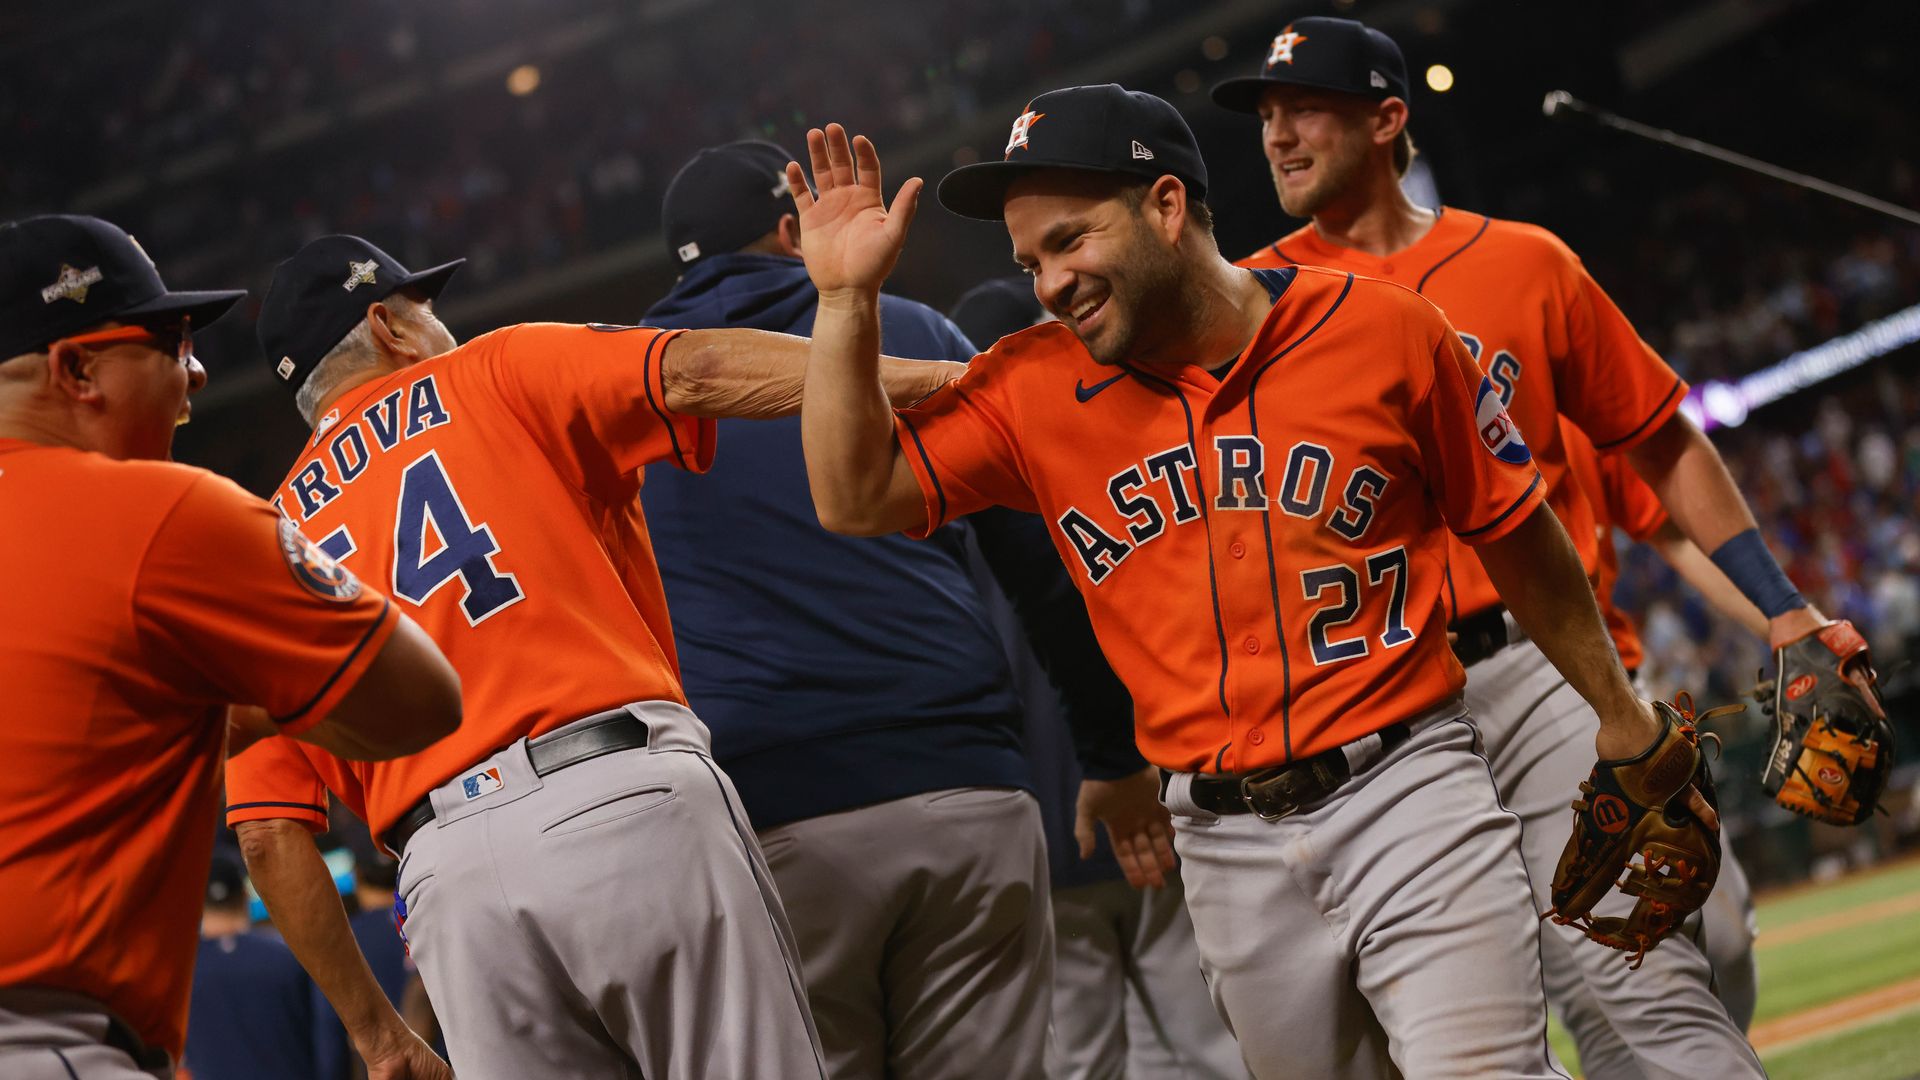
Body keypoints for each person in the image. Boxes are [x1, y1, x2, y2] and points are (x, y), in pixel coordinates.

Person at [783, 87, 1715, 1077]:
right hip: (1222, 842)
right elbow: (852, 496)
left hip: (1408, 786)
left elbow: (1514, 532)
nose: (1050, 283)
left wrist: (1616, 708)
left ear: (1168, 207)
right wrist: (845, 301)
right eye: (1030, 264)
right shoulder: (1030, 386)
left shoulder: (1387, 329)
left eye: (1069, 242)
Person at [1213, 16, 1826, 1074]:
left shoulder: (1524, 265)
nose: (1277, 135)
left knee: (1651, 978)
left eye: (1304, 106)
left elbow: (1659, 445)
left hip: (1545, 672)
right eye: (1266, 115)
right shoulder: (1246, 301)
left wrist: (1785, 606)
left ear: (1387, 119)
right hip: (1372, 712)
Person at [227, 234, 966, 1080]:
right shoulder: (492, 371)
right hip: (614, 795)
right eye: (425, 307)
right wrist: (944, 381)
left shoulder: (270, 544)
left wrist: (378, 1034)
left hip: (447, 880)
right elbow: (696, 371)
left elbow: (267, 836)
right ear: (389, 325)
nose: (442, 323)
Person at [642, 141, 1140, 1078]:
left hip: (762, 812)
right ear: (791, 230)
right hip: (960, 780)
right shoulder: (910, 328)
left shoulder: (628, 390)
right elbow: (1044, 568)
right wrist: (1110, 753)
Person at [0, 214, 461, 1080]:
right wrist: (237, 702)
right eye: (170, 341)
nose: (197, 373)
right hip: (40, 1036)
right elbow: (425, 699)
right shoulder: (160, 513)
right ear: (75, 369)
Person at [950, 277, 1248, 1080]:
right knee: (1215, 1046)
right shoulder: (1109, 461)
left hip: (1039, 834)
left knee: (1087, 1065)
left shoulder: (947, 502)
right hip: (1147, 793)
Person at [183, 854, 334, 1080]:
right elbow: (328, 1038)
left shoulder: (181, 972)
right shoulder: (291, 955)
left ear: (198, 901)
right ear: (245, 896)